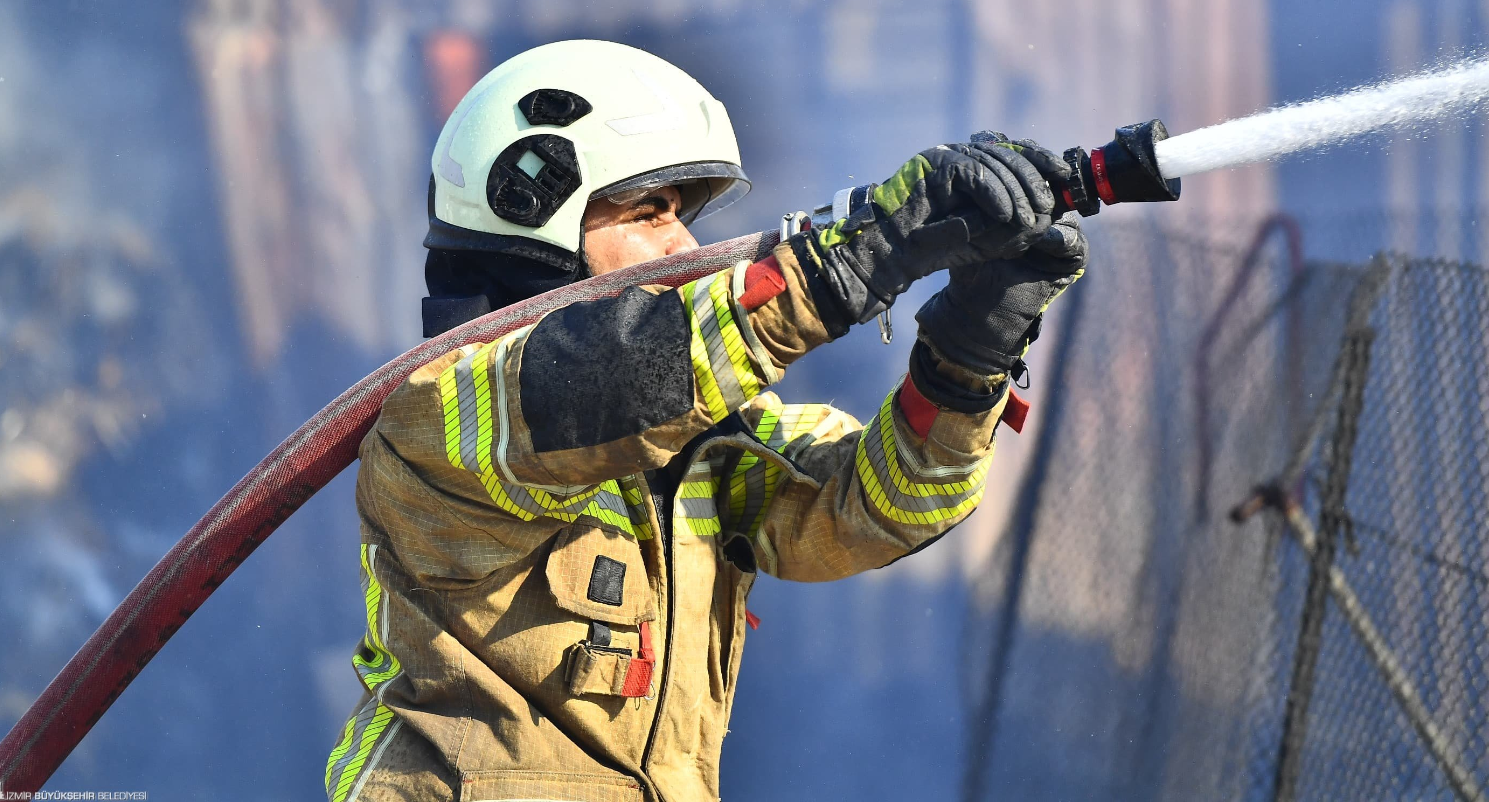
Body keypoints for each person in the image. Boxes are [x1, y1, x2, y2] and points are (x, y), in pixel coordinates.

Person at [322, 39, 1086, 802]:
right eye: (649, 213)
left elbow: (878, 507)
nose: (685, 245)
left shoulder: (698, 439)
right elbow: (614, 377)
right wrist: (853, 257)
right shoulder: (441, 417)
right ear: (534, 214)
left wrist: (968, 355)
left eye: (681, 216)